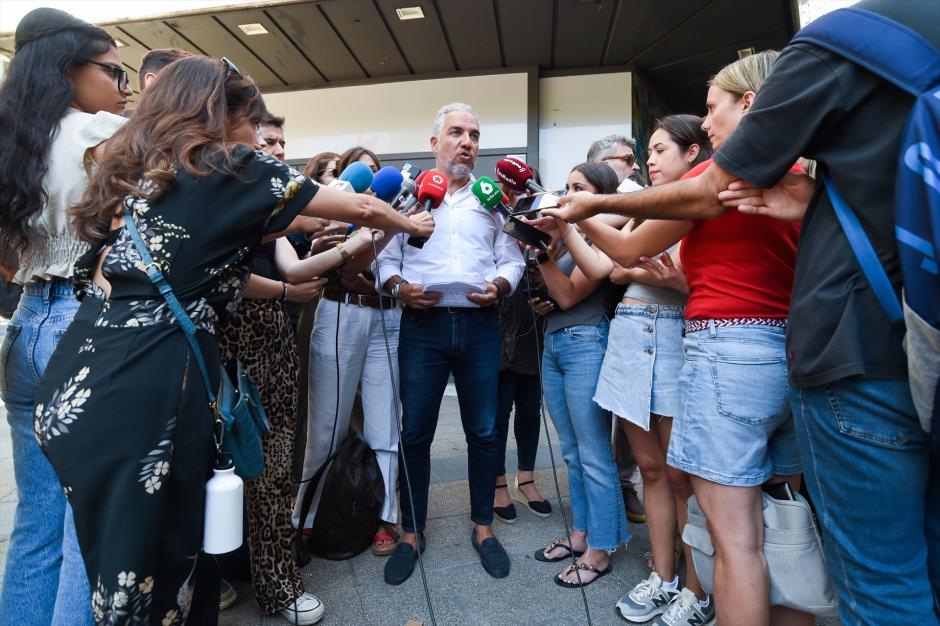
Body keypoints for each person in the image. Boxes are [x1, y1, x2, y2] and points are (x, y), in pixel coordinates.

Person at [35, 55, 433, 625]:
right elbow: (363, 204)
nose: (261, 139)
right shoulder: (233, 166)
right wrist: (410, 225)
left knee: (117, 566)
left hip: (78, 382)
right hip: (147, 387)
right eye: (256, 122)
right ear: (228, 116)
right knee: (148, 577)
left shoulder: (148, 172)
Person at [546, 50, 815, 626]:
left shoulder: (717, 176)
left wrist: (581, 208)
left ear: (749, 104)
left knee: (734, 539)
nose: (709, 125)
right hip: (792, 350)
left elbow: (622, 251)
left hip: (727, 349)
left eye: (713, 109)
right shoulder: (807, 171)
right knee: (786, 524)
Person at [0, 9, 132, 625]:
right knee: (89, 526)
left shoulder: (10, 138)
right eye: (114, 71)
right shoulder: (96, 132)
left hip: (26, 326)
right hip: (83, 326)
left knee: (35, 523)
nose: (121, 87)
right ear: (69, 70)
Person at [376, 102, 525, 585]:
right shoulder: (408, 198)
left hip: (481, 325)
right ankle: (412, 533)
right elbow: (383, 260)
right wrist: (401, 288)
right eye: (457, 133)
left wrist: (501, 286)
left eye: (475, 135)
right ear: (434, 141)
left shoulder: (492, 200)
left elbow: (513, 260)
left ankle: (483, 528)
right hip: (424, 328)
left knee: (484, 432)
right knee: (415, 432)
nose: (467, 142)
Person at [580, 115, 713, 624]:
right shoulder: (649, 205)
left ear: (692, 154)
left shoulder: (699, 198)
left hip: (676, 338)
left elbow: (688, 281)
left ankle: (696, 591)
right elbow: (614, 267)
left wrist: (671, 280)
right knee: (651, 471)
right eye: (648, 151)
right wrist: (647, 270)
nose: (648, 161)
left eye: (659, 151)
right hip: (630, 333)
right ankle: (664, 575)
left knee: (682, 476)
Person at [216, 110, 332, 624]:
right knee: (215, 465)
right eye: (270, 140)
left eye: (284, 142)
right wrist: (287, 290)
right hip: (221, 343)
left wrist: (351, 244)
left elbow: (293, 266)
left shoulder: (273, 205)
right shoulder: (217, 198)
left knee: (274, 467)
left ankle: (277, 584)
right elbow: (228, 275)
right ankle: (210, 576)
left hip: (273, 344)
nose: (281, 150)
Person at [294, 146, 405, 558]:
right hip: (342, 314)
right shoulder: (334, 215)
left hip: (388, 319)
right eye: (366, 174)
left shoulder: (396, 212)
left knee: (385, 426)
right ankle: (303, 518)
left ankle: (385, 516)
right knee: (326, 429)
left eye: (379, 174)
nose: (375, 183)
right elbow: (340, 270)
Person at [531, 162, 629, 587]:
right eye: (566, 186)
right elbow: (556, 293)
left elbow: (571, 295)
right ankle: (581, 534)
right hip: (555, 343)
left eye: (579, 187)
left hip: (587, 341)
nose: (567, 193)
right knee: (572, 451)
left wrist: (552, 247)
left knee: (593, 453)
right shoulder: (574, 237)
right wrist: (540, 254)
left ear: (599, 194)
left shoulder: (604, 237)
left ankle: (601, 549)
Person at [586, 135, 645, 521]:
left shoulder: (638, 196)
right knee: (591, 421)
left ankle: (624, 484)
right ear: (604, 164)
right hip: (586, 319)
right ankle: (598, 494)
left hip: (629, 321)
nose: (638, 165)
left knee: (630, 416)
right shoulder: (578, 191)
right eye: (628, 159)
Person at [493, 180, 551, 524]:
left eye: (520, 193)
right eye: (506, 192)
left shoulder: (542, 223)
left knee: (530, 408)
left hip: (534, 328)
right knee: (498, 411)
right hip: (498, 329)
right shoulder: (489, 222)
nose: (513, 199)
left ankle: (526, 478)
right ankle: (497, 482)